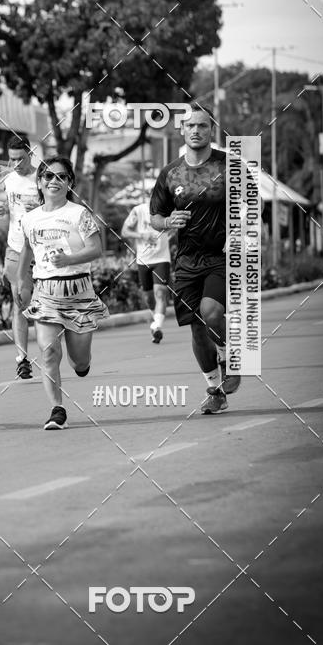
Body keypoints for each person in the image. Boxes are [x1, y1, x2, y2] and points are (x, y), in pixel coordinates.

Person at [149, 106, 241, 415]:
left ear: (212, 130)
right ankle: (215, 391)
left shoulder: (229, 166)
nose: (196, 130)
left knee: (211, 312)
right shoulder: (170, 172)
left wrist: (245, 236)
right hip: (186, 260)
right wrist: (168, 221)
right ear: (183, 130)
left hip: (221, 255)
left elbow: (253, 206)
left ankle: (232, 356)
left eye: (202, 125)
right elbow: (155, 218)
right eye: (190, 125)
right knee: (197, 329)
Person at [17, 156, 109, 430]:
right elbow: (27, 250)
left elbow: (96, 249)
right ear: (40, 182)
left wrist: (68, 260)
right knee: (48, 352)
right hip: (45, 291)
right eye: (48, 176)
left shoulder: (79, 214)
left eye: (61, 177)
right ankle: (57, 409)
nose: (54, 181)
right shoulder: (30, 218)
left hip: (78, 289)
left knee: (79, 361)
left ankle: (82, 364)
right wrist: (23, 281)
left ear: (70, 183)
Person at [0, 135, 39, 379]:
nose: (17, 164)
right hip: (15, 248)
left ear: (30, 154)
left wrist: (42, 208)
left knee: (45, 303)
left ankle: (52, 349)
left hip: (42, 247)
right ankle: (22, 359)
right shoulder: (9, 179)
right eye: (12, 160)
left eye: (21, 159)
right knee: (19, 302)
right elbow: (9, 208)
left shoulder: (43, 178)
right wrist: (2, 210)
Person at [121, 197, 172, 343]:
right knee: (149, 298)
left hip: (162, 259)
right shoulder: (138, 210)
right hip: (143, 260)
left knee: (160, 292)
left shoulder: (167, 210)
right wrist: (142, 235)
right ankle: (155, 320)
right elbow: (125, 231)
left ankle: (157, 327)